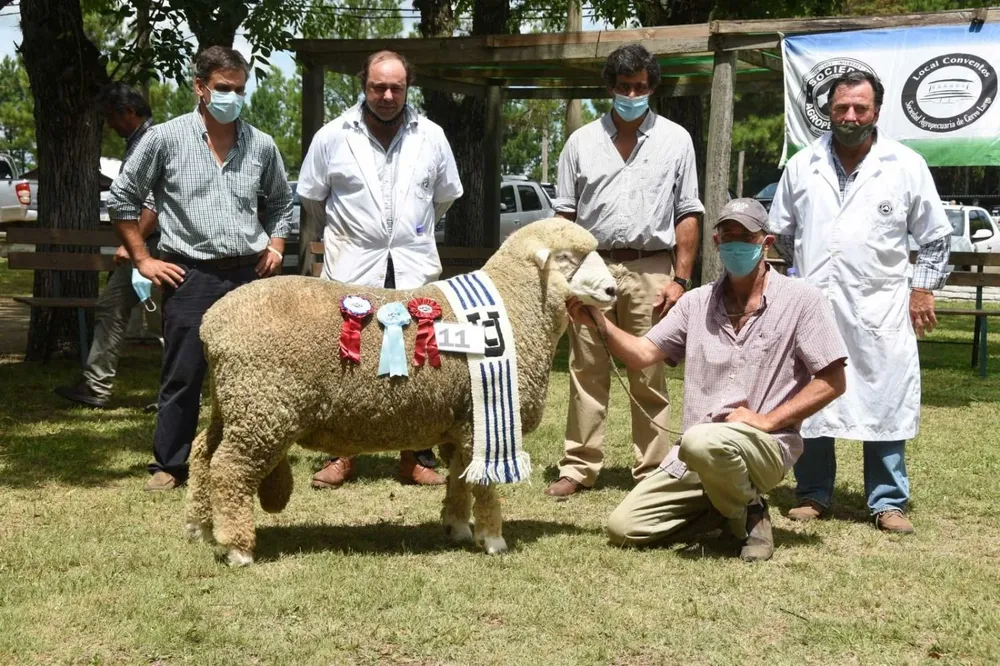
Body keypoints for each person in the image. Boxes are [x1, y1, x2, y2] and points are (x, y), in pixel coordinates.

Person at [578, 198, 848, 561]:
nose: (736, 243)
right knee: (624, 527)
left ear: (766, 243)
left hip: (762, 444)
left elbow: (833, 381)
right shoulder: (695, 303)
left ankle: (751, 512)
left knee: (701, 440)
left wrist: (767, 420)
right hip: (694, 453)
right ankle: (727, 512)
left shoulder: (804, 300)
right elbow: (643, 353)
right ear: (717, 243)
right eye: (727, 235)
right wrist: (598, 321)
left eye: (746, 236)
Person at [769, 71, 952, 534]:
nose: (850, 116)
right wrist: (808, 276)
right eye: (841, 108)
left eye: (860, 108)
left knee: (884, 396)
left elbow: (935, 238)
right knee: (812, 398)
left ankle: (887, 501)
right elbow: (784, 234)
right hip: (814, 304)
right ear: (828, 110)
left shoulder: (905, 165)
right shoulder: (801, 165)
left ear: (876, 112)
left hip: (880, 308)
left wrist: (921, 289)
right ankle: (812, 493)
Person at [108, 46, 294, 492]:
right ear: (200, 88)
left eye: (240, 90)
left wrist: (277, 244)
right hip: (188, 273)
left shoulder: (262, 145)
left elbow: (283, 204)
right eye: (224, 88)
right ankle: (170, 465)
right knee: (183, 372)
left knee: (255, 376)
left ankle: (257, 461)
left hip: (250, 276)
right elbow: (122, 199)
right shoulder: (164, 139)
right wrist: (143, 259)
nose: (233, 97)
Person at [297, 50, 463, 488]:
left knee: (422, 361)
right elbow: (313, 201)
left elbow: (443, 198)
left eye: (396, 87)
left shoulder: (433, 136)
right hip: (351, 268)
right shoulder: (332, 136)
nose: (387, 96)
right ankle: (342, 455)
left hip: (413, 268)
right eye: (377, 87)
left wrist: (411, 231)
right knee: (347, 360)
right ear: (363, 86)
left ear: (408, 87)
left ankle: (417, 457)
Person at [546, 43, 703, 497]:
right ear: (609, 89)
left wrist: (680, 279)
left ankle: (653, 469)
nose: (631, 94)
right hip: (591, 267)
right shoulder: (580, 143)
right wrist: (565, 276)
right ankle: (578, 466)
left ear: (652, 87)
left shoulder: (677, 140)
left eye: (639, 86)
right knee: (586, 369)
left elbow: (688, 212)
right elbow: (564, 217)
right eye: (622, 86)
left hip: (652, 267)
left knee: (649, 369)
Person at [55, 83, 160, 409]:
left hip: (156, 248)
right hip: (147, 247)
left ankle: (175, 395)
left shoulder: (150, 142)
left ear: (129, 112)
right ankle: (97, 386)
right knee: (118, 307)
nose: (109, 125)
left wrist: (132, 245)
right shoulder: (139, 141)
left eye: (111, 117)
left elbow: (154, 204)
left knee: (163, 319)